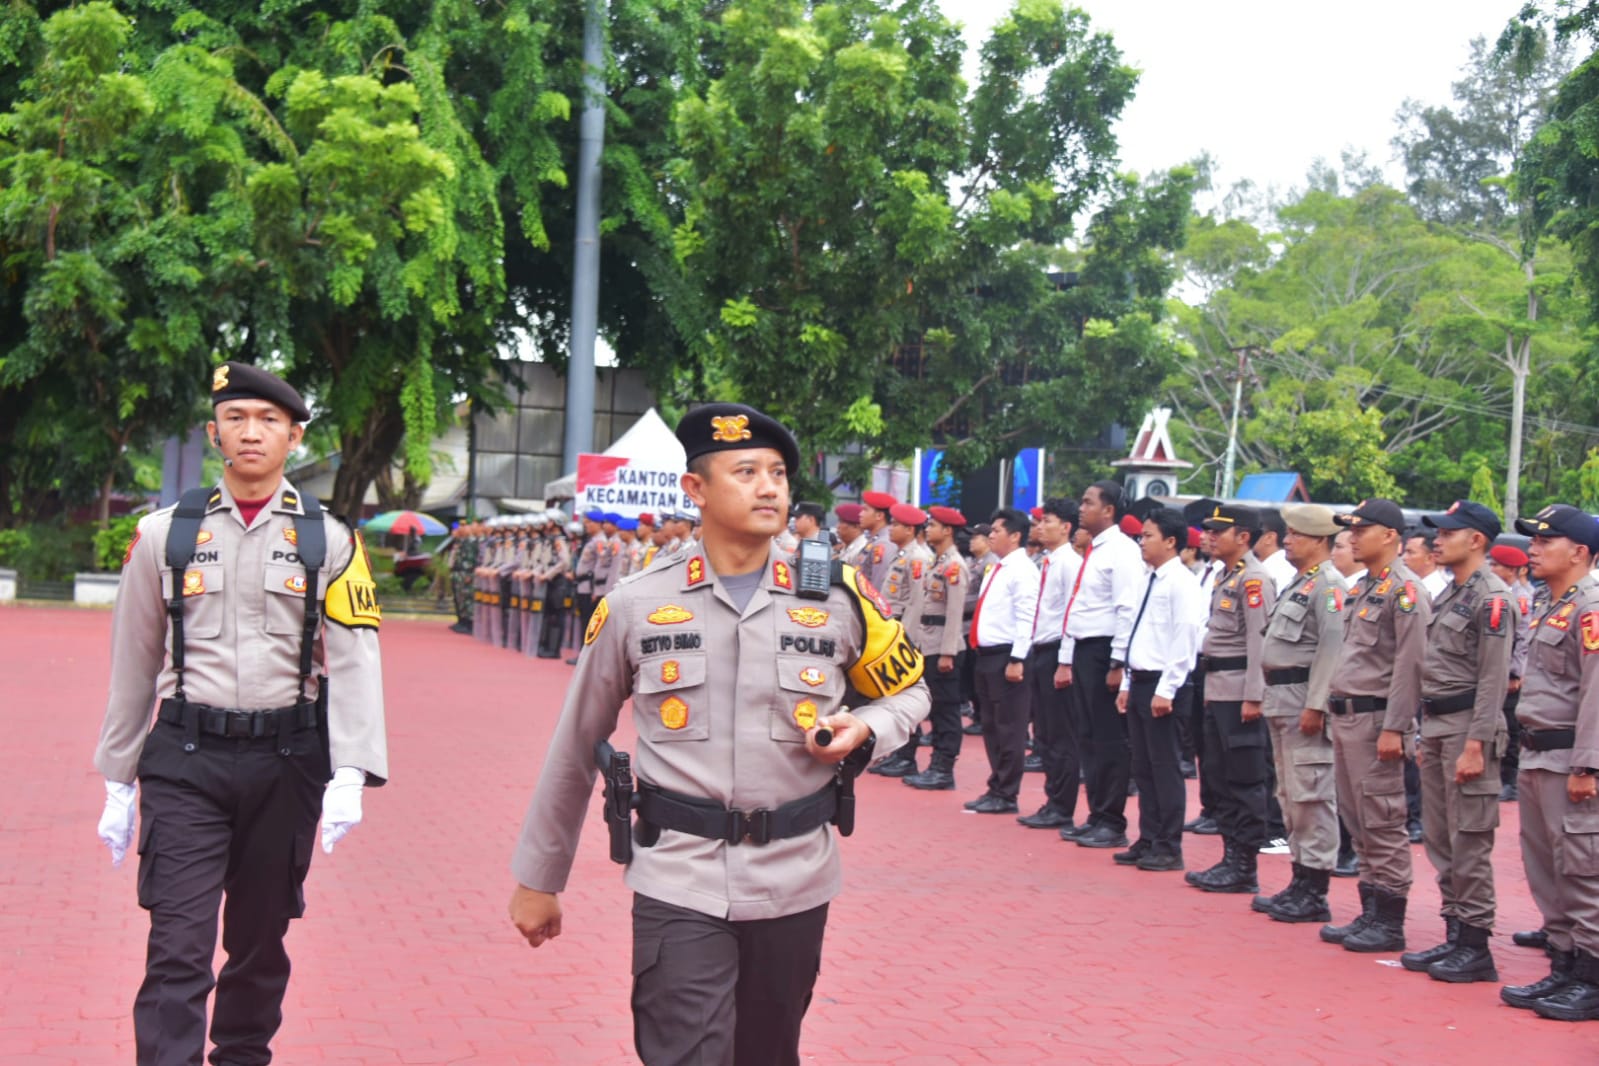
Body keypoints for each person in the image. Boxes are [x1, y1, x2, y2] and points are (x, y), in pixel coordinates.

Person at [508, 403, 929, 1065]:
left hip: (795, 876)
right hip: (678, 873)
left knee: (768, 1052)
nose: (769, 487)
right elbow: (576, 743)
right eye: (746, 472)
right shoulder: (635, 602)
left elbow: (909, 689)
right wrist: (540, 875)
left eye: (778, 474)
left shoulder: (837, 597)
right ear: (696, 490)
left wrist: (866, 724)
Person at [94, 361, 388, 1066]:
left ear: (294, 436)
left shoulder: (331, 541)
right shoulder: (165, 534)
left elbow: (354, 658)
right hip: (185, 759)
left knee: (259, 942)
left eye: (267, 421)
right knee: (177, 944)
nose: (250, 434)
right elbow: (134, 658)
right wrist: (116, 777)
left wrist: (351, 768)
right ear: (212, 432)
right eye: (235, 419)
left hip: (286, 762)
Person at [1396, 501, 1513, 984]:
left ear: (1476, 541)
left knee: (1469, 840)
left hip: (1469, 727)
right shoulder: (1451, 592)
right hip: (1441, 726)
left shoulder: (1492, 597)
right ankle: (1454, 932)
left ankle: (1476, 945)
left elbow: (1492, 679)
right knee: (1443, 840)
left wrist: (1476, 743)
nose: (1437, 540)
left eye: (1448, 533)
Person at [1497, 504, 1599, 1020]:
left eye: (1545, 541)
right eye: (1533, 541)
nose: (1533, 549)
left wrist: (1590, 765)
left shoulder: (1592, 606)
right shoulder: (1548, 601)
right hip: (1539, 754)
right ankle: (1562, 968)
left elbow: (1597, 693)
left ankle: (1591, 979)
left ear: (1579, 552)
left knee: (1583, 871)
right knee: (1547, 872)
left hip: (1571, 761)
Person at [1320, 499, 1432, 954]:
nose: (1353, 537)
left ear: (1389, 535)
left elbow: (1411, 664)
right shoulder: (1366, 586)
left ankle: (1390, 919)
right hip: (1349, 717)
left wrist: (1396, 726)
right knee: (1357, 818)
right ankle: (1370, 910)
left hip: (1376, 719)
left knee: (1383, 820)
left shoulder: (1406, 590)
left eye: (1361, 529)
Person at [1252, 504, 1346, 922]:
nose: (1286, 540)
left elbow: (1332, 649)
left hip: (1303, 700)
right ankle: (1299, 879)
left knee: (1312, 794)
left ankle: (1315, 888)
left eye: (1295, 534)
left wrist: (1317, 704)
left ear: (1319, 540)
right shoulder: (1301, 583)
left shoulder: (1328, 586)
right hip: (1282, 699)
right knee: (1290, 795)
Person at [1187, 505, 1277, 895]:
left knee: (1244, 780)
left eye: (1218, 532)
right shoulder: (1226, 575)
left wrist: (1255, 696)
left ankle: (1244, 865)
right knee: (1219, 777)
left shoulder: (1255, 580)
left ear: (1243, 537)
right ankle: (1229, 857)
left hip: (1240, 691)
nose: (1209, 537)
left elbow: (1261, 642)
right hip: (1217, 687)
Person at [1114, 507, 1204, 871]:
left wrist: (1167, 689)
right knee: (1144, 766)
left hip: (1164, 685)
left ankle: (1169, 844)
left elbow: (1185, 638)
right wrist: (1125, 680)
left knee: (1165, 766)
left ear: (1170, 542)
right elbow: (1138, 633)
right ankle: (1148, 837)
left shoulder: (1181, 582)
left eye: (1148, 535)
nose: (1141, 541)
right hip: (1140, 679)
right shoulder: (1148, 578)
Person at [1061, 481, 1143, 848]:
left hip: (1105, 650)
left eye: (1088, 502)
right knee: (1088, 737)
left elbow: (1126, 607)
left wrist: (1118, 661)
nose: (1081, 508)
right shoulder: (1096, 548)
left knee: (1108, 739)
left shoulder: (1122, 550)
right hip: (1084, 648)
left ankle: (1112, 820)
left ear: (1108, 510)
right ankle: (1096, 814)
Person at [963, 508, 1040, 814]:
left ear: (1016, 536)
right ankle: (997, 785)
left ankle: (1007, 792)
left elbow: (1026, 616)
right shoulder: (998, 567)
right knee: (993, 725)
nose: (990, 535)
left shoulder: (1022, 570)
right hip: (986, 655)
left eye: (996, 530)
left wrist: (1018, 657)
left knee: (1009, 726)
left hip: (1007, 655)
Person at [1017, 497, 1084, 831]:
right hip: (1041, 649)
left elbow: (1073, 614)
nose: (1040, 527)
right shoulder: (1048, 562)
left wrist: (1065, 661)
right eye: (1039, 522)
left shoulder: (1070, 563)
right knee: (1044, 733)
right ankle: (1052, 799)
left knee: (1060, 735)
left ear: (1066, 527)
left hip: (1058, 650)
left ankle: (1062, 805)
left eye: (1047, 521)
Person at [904, 506, 972, 790]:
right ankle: (936, 764)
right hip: (927, 642)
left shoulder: (954, 565)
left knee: (946, 709)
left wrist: (947, 652)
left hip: (943, 645)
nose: (928, 529)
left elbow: (955, 612)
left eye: (933, 525)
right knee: (935, 707)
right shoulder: (936, 562)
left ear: (948, 531)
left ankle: (944, 768)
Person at [871, 502, 933, 777]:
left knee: (905, 694)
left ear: (909, 529)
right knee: (892, 693)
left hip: (903, 632)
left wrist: (904, 640)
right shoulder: (902, 555)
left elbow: (917, 603)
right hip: (892, 626)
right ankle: (899, 752)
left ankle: (907, 756)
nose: (891, 529)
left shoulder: (916, 557)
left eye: (896, 525)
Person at [1491, 542, 1534, 802]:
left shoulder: (1521, 598)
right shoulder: (1501, 592)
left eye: (1497, 565)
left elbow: (1523, 637)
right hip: (1498, 670)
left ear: (1513, 570)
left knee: (1512, 726)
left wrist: (1515, 673)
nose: (1492, 568)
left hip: (1510, 674)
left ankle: (1512, 780)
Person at [860, 490, 899, 589]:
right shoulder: (874, 539)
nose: (860, 514)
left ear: (879, 516)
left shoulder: (883, 544)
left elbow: (877, 585)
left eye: (865, 510)